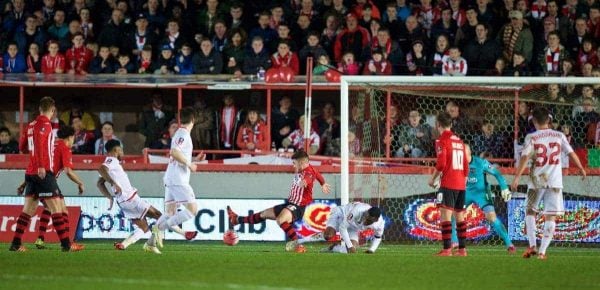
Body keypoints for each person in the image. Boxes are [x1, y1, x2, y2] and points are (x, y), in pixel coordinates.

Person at [511, 106, 586, 260]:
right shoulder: (559, 135)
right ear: (549, 120)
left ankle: (532, 245)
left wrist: (517, 177)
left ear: (534, 121)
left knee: (530, 211)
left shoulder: (531, 137)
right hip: (555, 183)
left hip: (536, 181)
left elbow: (525, 158)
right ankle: (542, 252)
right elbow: (571, 152)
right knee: (550, 216)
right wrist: (581, 168)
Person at [97, 140, 197, 254]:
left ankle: (124, 244)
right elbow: (101, 169)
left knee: (144, 229)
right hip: (131, 199)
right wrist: (113, 183)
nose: (123, 153)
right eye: (122, 150)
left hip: (123, 202)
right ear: (116, 150)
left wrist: (109, 197)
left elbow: (100, 183)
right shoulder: (112, 161)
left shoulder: (111, 165)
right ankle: (184, 234)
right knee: (159, 216)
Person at [10, 97, 82, 252]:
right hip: (42, 172)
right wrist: (42, 166)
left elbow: (22, 146)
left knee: (28, 210)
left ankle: (16, 244)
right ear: (53, 110)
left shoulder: (31, 125)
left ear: (39, 108)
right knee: (57, 208)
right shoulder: (45, 125)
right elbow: (41, 145)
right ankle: (66, 245)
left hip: (30, 172)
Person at [227, 150, 331, 252]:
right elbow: (317, 173)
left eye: (295, 163)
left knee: (281, 220)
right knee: (264, 214)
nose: (293, 166)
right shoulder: (310, 168)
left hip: (298, 206)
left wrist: (304, 182)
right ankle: (236, 220)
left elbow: (309, 177)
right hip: (290, 203)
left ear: (302, 163)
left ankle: (298, 245)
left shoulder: (307, 172)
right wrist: (323, 183)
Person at [18, 126, 85, 249]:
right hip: (47, 181)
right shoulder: (64, 148)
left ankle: (34, 240)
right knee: (59, 210)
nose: (73, 141)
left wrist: (24, 183)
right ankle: (66, 243)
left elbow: (38, 165)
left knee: (41, 209)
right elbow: (68, 170)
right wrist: (80, 183)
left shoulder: (51, 145)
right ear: (70, 137)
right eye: (73, 138)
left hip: (34, 178)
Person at [151, 107, 205, 249]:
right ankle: (158, 228)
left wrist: (194, 160)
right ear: (193, 120)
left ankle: (150, 243)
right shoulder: (183, 134)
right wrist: (190, 164)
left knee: (170, 212)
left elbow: (178, 155)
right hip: (177, 179)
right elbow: (174, 152)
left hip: (172, 177)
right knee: (192, 210)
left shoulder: (181, 134)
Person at [450, 145, 515, 253]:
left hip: (481, 193)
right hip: (465, 193)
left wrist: (504, 188)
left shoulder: (481, 162)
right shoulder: (457, 163)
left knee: (491, 217)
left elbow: (497, 174)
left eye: (462, 153)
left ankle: (509, 244)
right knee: (454, 214)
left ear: (469, 153)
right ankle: (455, 242)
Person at [428, 111, 469, 256]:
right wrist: (462, 182)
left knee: (445, 215)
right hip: (460, 184)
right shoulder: (459, 141)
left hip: (448, 183)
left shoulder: (442, 141)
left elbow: (441, 164)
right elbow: (466, 166)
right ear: (451, 124)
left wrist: (432, 179)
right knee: (460, 216)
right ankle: (462, 249)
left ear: (437, 124)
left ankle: (446, 249)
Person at [297, 202, 384, 254]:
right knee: (328, 235)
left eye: (368, 220)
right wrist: (349, 246)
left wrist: (371, 249)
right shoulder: (357, 211)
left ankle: (333, 248)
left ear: (375, 219)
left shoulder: (379, 224)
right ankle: (299, 241)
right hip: (341, 213)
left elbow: (377, 237)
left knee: (352, 248)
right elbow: (343, 227)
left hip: (353, 226)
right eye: (365, 216)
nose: (365, 220)